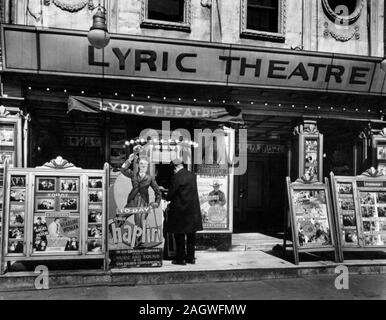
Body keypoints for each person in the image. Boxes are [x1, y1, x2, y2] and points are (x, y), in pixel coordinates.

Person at [165, 158, 203, 265]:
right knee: (191, 236)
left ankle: (180, 259)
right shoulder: (192, 175)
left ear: (176, 167)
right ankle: (190, 258)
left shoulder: (176, 177)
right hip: (192, 210)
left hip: (180, 211)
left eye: (173, 169)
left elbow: (171, 194)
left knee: (179, 236)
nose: (173, 171)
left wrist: (167, 197)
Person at [120, 153, 162, 248]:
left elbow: (158, 192)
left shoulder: (150, 178)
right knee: (120, 216)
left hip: (143, 202)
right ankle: (114, 235)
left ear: (147, 166)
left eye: (145, 165)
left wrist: (156, 203)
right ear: (139, 165)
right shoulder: (133, 175)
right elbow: (123, 170)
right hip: (132, 201)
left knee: (140, 221)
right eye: (141, 164)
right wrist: (129, 160)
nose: (143, 166)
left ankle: (139, 244)